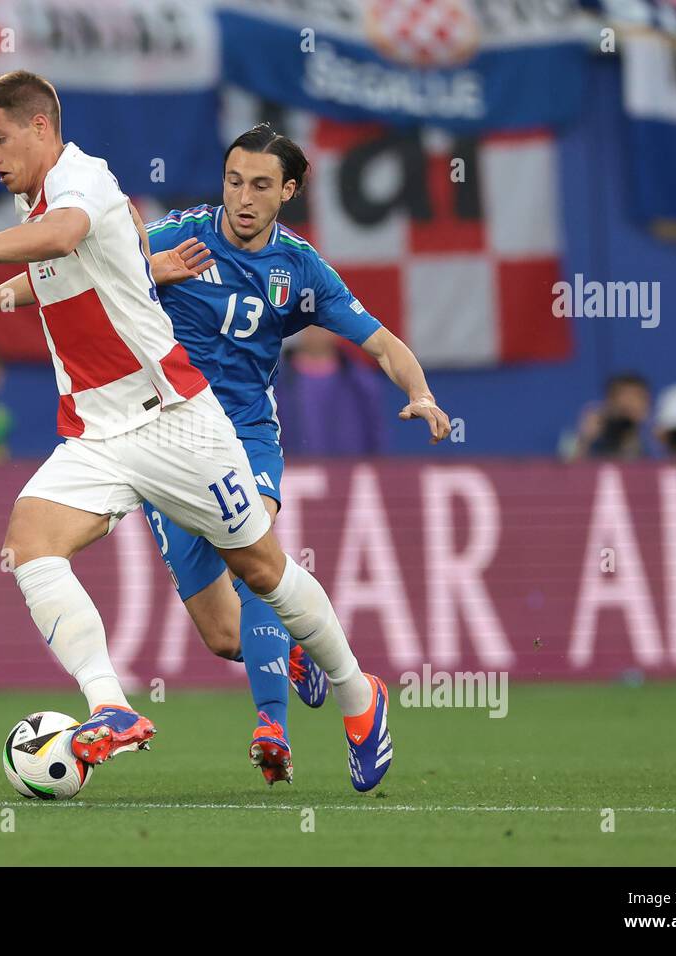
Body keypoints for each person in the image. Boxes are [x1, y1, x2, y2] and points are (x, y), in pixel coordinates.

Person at [0, 72, 449, 792]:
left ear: (38, 127)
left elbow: (60, 237)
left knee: (263, 573)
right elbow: (70, 269)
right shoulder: (158, 227)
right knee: (33, 545)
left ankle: (354, 695)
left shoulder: (82, 181)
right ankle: (112, 709)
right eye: (233, 181)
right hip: (99, 429)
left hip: (184, 425)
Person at [130, 124, 447, 785]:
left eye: (262, 185)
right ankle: (296, 655)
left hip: (245, 434)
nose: (243, 198)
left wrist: (420, 392)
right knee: (223, 636)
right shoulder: (174, 241)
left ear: (290, 190)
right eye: (234, 181)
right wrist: (138, 269)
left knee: (255, 563)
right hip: (165, 441)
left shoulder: (299, 270)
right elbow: (83, 279)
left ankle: (274, 727)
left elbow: (383, 342)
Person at [276, 324, 385, 457]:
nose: (317, 331)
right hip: (292, 474)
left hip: (348, 472)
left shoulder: (361, 381)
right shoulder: (274, 381)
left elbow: (376, 435)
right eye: (308, 324)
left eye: (323, 324)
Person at [563, 372, 652, 461]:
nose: (629, 403)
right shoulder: (592, 434)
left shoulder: (655, 436)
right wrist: (585, 439)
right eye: (622, 397)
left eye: (636, 397)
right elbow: (566, 466)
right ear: (609, 402)